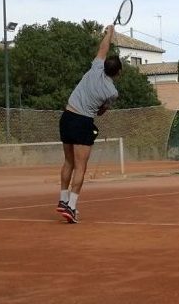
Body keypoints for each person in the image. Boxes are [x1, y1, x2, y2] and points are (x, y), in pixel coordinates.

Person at [56, 25, 121, 223]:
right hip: (83, 122)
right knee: (81, 167)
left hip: (66, 117)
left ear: (104, 65)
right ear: (117, 73)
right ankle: (72, 207)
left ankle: (63, 199)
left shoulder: (95, 67)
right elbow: (101, 111)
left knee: (68, 162)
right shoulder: (112, 92)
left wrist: (109, 33)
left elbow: (103, 48)